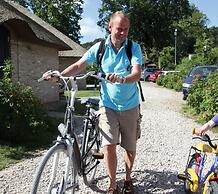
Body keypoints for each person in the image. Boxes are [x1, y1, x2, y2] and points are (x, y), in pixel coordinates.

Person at [45, 11, 142, 194]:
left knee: (130, 147)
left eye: (126, 30)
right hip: (108, 105)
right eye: (119, 29)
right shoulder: (100, 47)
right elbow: (79, 65)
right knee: (109, 145)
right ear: (110, 27)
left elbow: (137, 73)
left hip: (130, 105)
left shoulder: (133, 48)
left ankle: (128, 178)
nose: (123, 33)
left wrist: (122, 79)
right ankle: (113, 184)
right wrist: (60, 76)